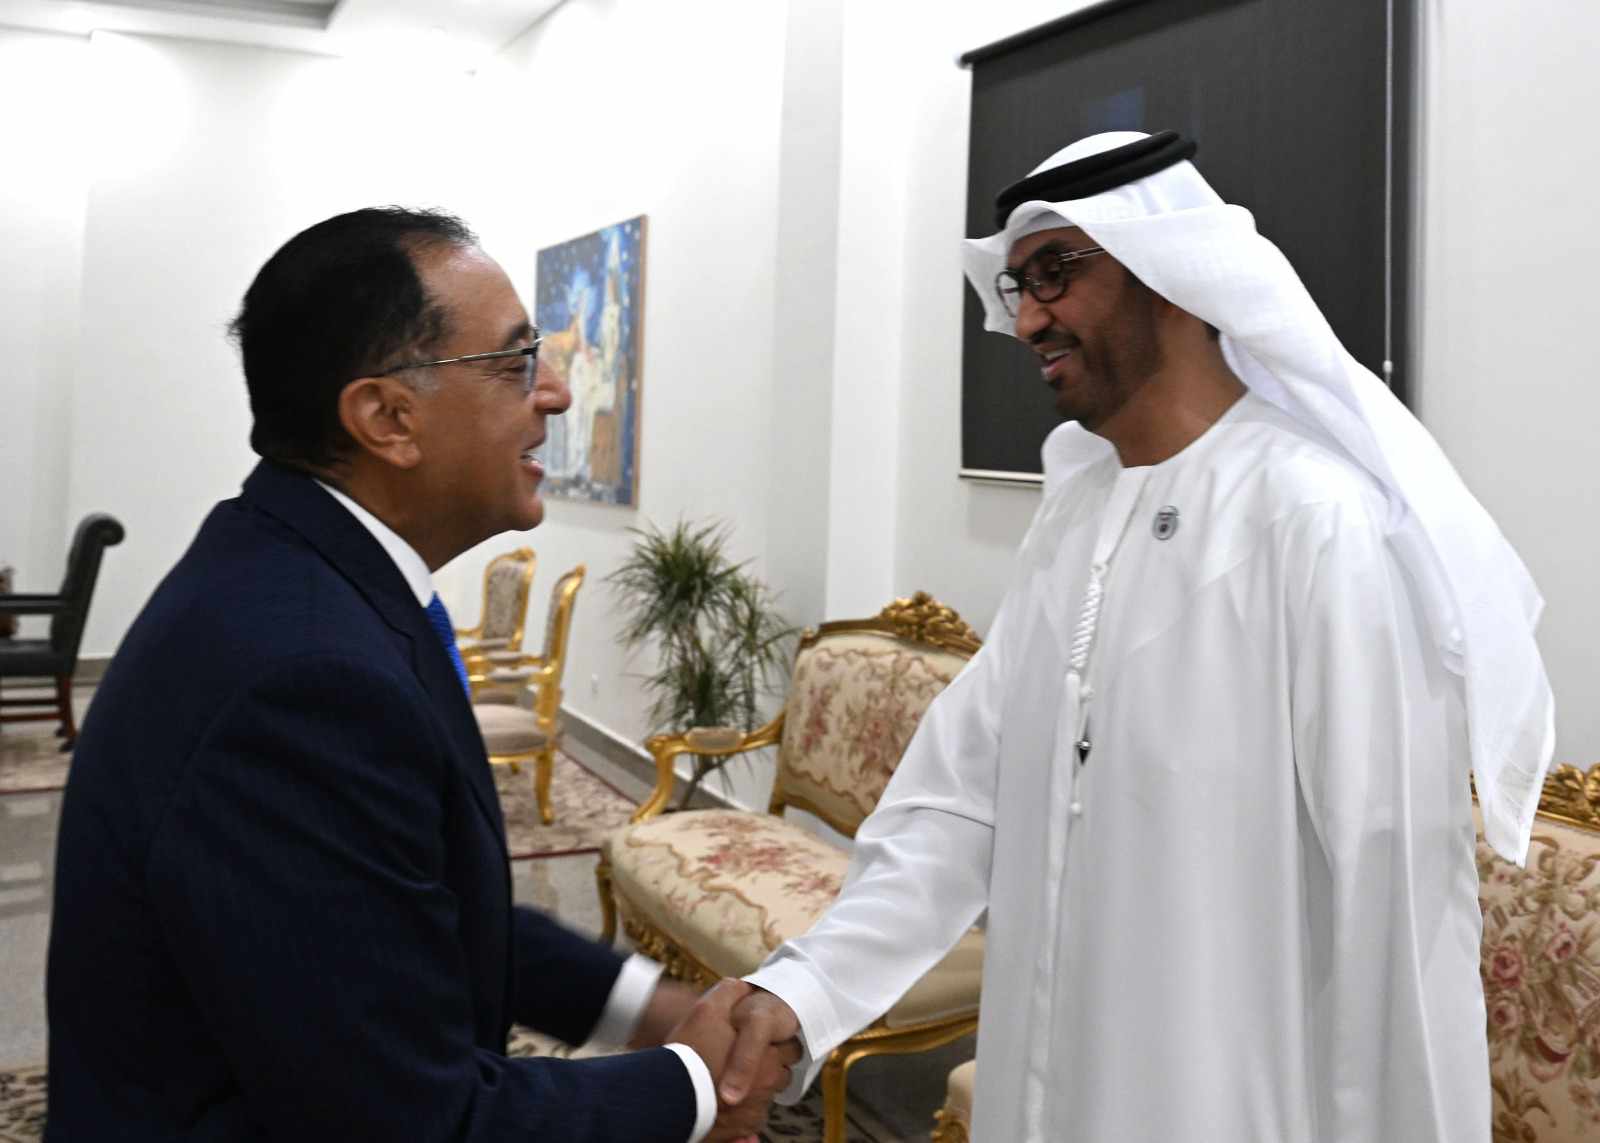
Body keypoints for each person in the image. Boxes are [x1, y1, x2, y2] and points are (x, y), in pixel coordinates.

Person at [718, 131, 1556, 1141]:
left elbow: (1397, 914)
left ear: (1170, 275)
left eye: (1056, 274)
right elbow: (959, 802)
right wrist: (807, 988)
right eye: (1017, 285)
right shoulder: (1075, 513)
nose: (1027, 318)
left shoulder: (1314, 519)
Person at [45, 207, 790, 1141]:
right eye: (516, 362)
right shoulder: (304, 679)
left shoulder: (304, 579)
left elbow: (408, 916)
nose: (557, 393)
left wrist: (646, 1004)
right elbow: (410, 1120)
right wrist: (695, 1089)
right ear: (388, 418)